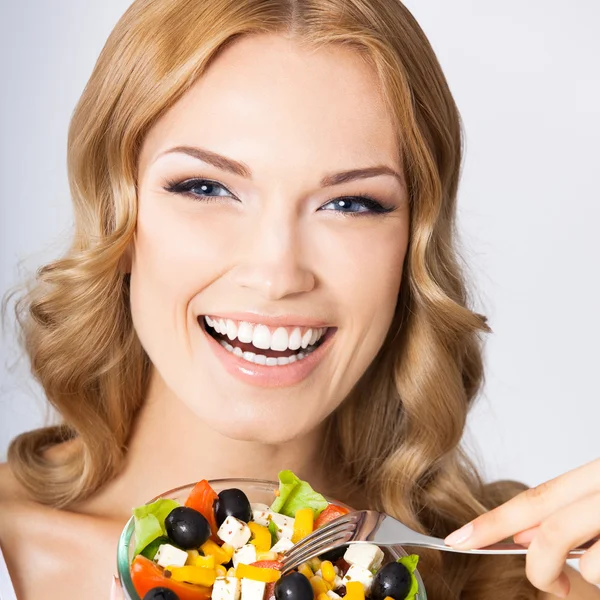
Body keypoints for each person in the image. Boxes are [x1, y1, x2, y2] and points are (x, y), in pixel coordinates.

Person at [0, 0, 598, 598]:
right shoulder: (12, 551)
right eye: (205, 187)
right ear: (116, 214)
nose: (278, 273)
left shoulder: (531, 580)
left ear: (412, 246)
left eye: (351, 203)